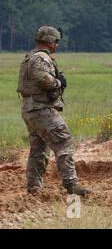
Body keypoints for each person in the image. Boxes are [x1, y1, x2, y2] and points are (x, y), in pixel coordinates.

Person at [17, 26, 91, 196]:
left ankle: (34, 188)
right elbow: (41, 77)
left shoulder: (30, 57)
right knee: (64, 141)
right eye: (56, 41)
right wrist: (58, 82)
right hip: (41, 109)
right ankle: (71, 185)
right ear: (49, 42)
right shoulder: (41, 58)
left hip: (30, 109)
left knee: (39, 149)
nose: (57, 45)